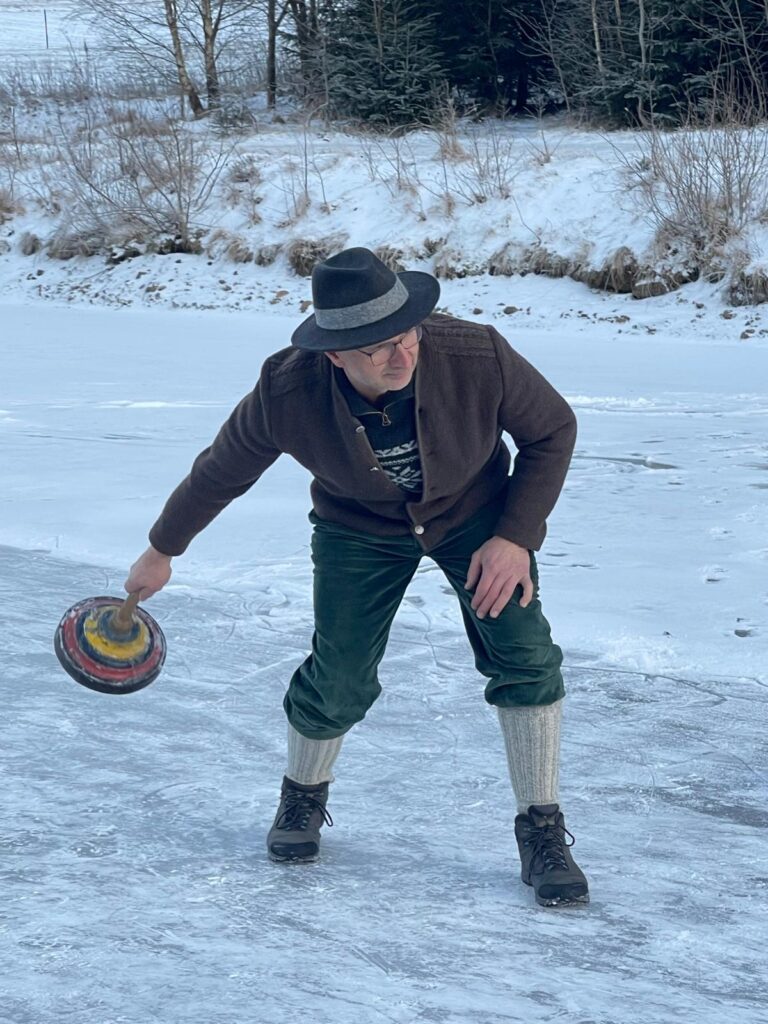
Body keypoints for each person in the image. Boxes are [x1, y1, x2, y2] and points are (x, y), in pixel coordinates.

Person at [124, 246, 588, 907]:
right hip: (358, 527)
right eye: (378, 349)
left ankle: (541, 829)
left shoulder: (476, 353)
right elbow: (223, 469)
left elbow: (553, 430)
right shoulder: (288, 390)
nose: (401, 357)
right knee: (339, 674)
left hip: (477, 515)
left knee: (524, 651)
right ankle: (302, 795)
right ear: (335, 355)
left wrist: (515, 536)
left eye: (407, 337)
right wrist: (162, 548)